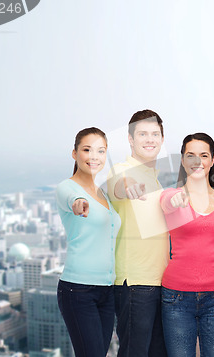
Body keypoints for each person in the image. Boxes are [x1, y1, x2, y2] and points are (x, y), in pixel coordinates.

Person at [159, 133, 214, 357]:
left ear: (212, 160)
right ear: (183, 161)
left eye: (203, 155)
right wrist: (175, 201)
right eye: (190, 155)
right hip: (176, 298)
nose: (197, 161)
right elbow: (166, 202)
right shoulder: (172, 196)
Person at [106, 110, 169, 357]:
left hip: (161, 283)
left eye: (155, 134)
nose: (149, 139)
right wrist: (127, 187)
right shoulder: (121, 170)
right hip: (135, 284)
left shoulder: (157, 178)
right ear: (131, 139)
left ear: (162, 140)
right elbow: (119, 186)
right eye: (142, 134)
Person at [56, 127, 121, 357]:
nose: (94, 156)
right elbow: (73, 199)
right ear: (74, 154)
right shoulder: (67, 187)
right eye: (87, 150)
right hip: (78, 290)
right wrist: (78, 202)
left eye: (100, 151)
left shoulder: (103, 193)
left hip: (107, 291)